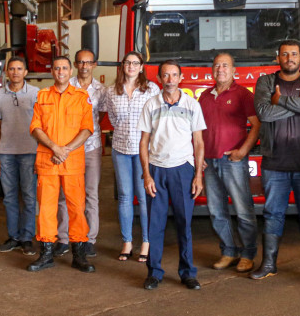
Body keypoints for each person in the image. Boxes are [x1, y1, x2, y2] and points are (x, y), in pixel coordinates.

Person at [251, 40, 300, 283]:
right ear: (278, 58)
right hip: (275, 163)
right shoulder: (265, 82)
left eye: (294, 54)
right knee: (273, 213)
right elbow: (264, 113)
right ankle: (268, 264)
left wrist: (281, 101)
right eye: (285, 54)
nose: (289, 58)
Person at [139, 60, 206, 291]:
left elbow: (198, 142)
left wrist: (197, 176)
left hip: (183, 170)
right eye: (165, 75)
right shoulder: (150, 105)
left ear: (180, 77)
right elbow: (144, 142)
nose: (170, 79)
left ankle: (187, 273)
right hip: (157, 170)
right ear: (159, 78)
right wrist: (147, 175)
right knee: (154, 225)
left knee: (184, 223)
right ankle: (154, 273)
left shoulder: (192, 105)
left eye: (174, 75)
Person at [27, 56, 95, 273]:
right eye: (57, 68)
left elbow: (87, 129)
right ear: (52, 71)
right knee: (46, 208)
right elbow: (36, 127)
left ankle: (79, 254)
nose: (61, 71)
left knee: (77, 207)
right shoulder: (42, 95)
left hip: (72, 161)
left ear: (70, 70)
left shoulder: (81, 97)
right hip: (48, 160)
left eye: (65, 68)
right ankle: (46, 253)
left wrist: (65, 150)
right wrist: (55, 148)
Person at [199, 53, 261, 272]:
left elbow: (256, 125)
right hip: (209, 161)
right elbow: (198, 131)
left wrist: (243, 152)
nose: (220, 69)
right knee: (216, 210)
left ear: (234, 70)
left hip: (232, 161)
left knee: (243, 209)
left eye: (225, 65)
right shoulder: (205, 96)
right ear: (212, 70)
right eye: (216, 65)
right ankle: (228, 251)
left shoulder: (243, 94)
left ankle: (248, 253)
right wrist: (200, 158)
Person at [101, 51, 159, 263]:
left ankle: (146, 241)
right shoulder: (111, 91)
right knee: (125, 196)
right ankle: (127, 242)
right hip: (120, 149)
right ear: (122, 66)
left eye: (136, 63)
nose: (131, 66)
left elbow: (156, 118)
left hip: (144, 150)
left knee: (144, 196)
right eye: (128, 63)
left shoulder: (151, 89)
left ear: (142, 67)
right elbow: (113, 120)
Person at [56, 49, 105, 258]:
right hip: (67, 149)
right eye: (80, 63)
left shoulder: (102, 90)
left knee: (91, 194)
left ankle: (89, 239)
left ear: (94, 65)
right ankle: (63, 238)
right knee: (64, 194)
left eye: (88, 62)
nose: (84, 66)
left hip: (91, 147)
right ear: (75, 65)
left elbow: (99, 116)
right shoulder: (67, 85)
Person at [0, 56, 39, 256]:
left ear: (26, 72)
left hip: (30, 152)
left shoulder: (36, 94)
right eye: (12, 69)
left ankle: (27, 238)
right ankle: (14, 237)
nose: (15, 72)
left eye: (19, 68)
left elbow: (43, 126)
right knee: (9, 198)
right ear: (7, 72)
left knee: (29, 197)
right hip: (6, 153)